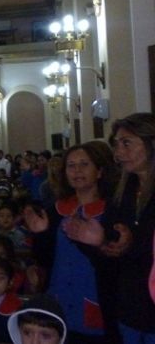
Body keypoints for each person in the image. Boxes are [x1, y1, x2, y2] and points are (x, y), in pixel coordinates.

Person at [63, 113, 155, 343]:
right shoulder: (121, 193)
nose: (118, 153)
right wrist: (96, 242)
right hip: (126, 307)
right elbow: (107, 260)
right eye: (116, 145)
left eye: (126, 143)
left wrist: (126, 247)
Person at [22, 141, 118, 342]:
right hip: (59, 300)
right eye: (71, 166)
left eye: (84, 164)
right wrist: (39, 234)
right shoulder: (55, 210)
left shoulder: (114, 211)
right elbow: (45, 260)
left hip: (98, 300)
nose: (77, 171)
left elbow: (119, 262)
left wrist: (98, 243)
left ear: (99, 171)